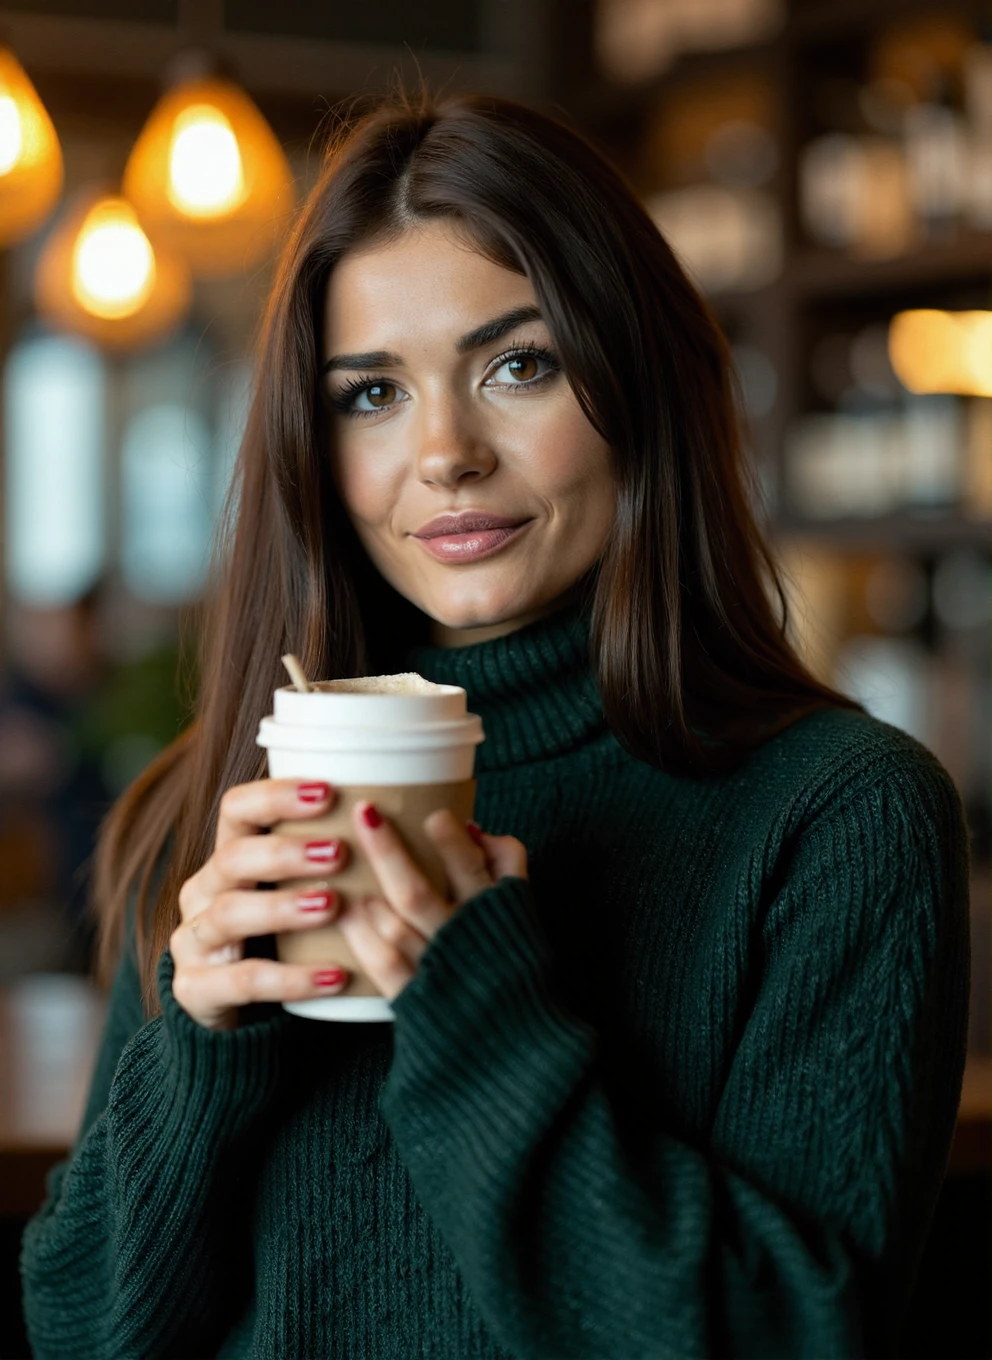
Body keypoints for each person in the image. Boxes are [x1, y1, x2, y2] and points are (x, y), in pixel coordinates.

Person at [21, 85, 970, 1360]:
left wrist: (477, 1012)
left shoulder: (837, 814)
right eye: (370, 393)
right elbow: (82, 1329)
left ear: (637, 383)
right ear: (311, 443)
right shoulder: (208, 813)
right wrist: (196, 1049)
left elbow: (786, 1334)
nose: (445, 452)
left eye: (517, 365)